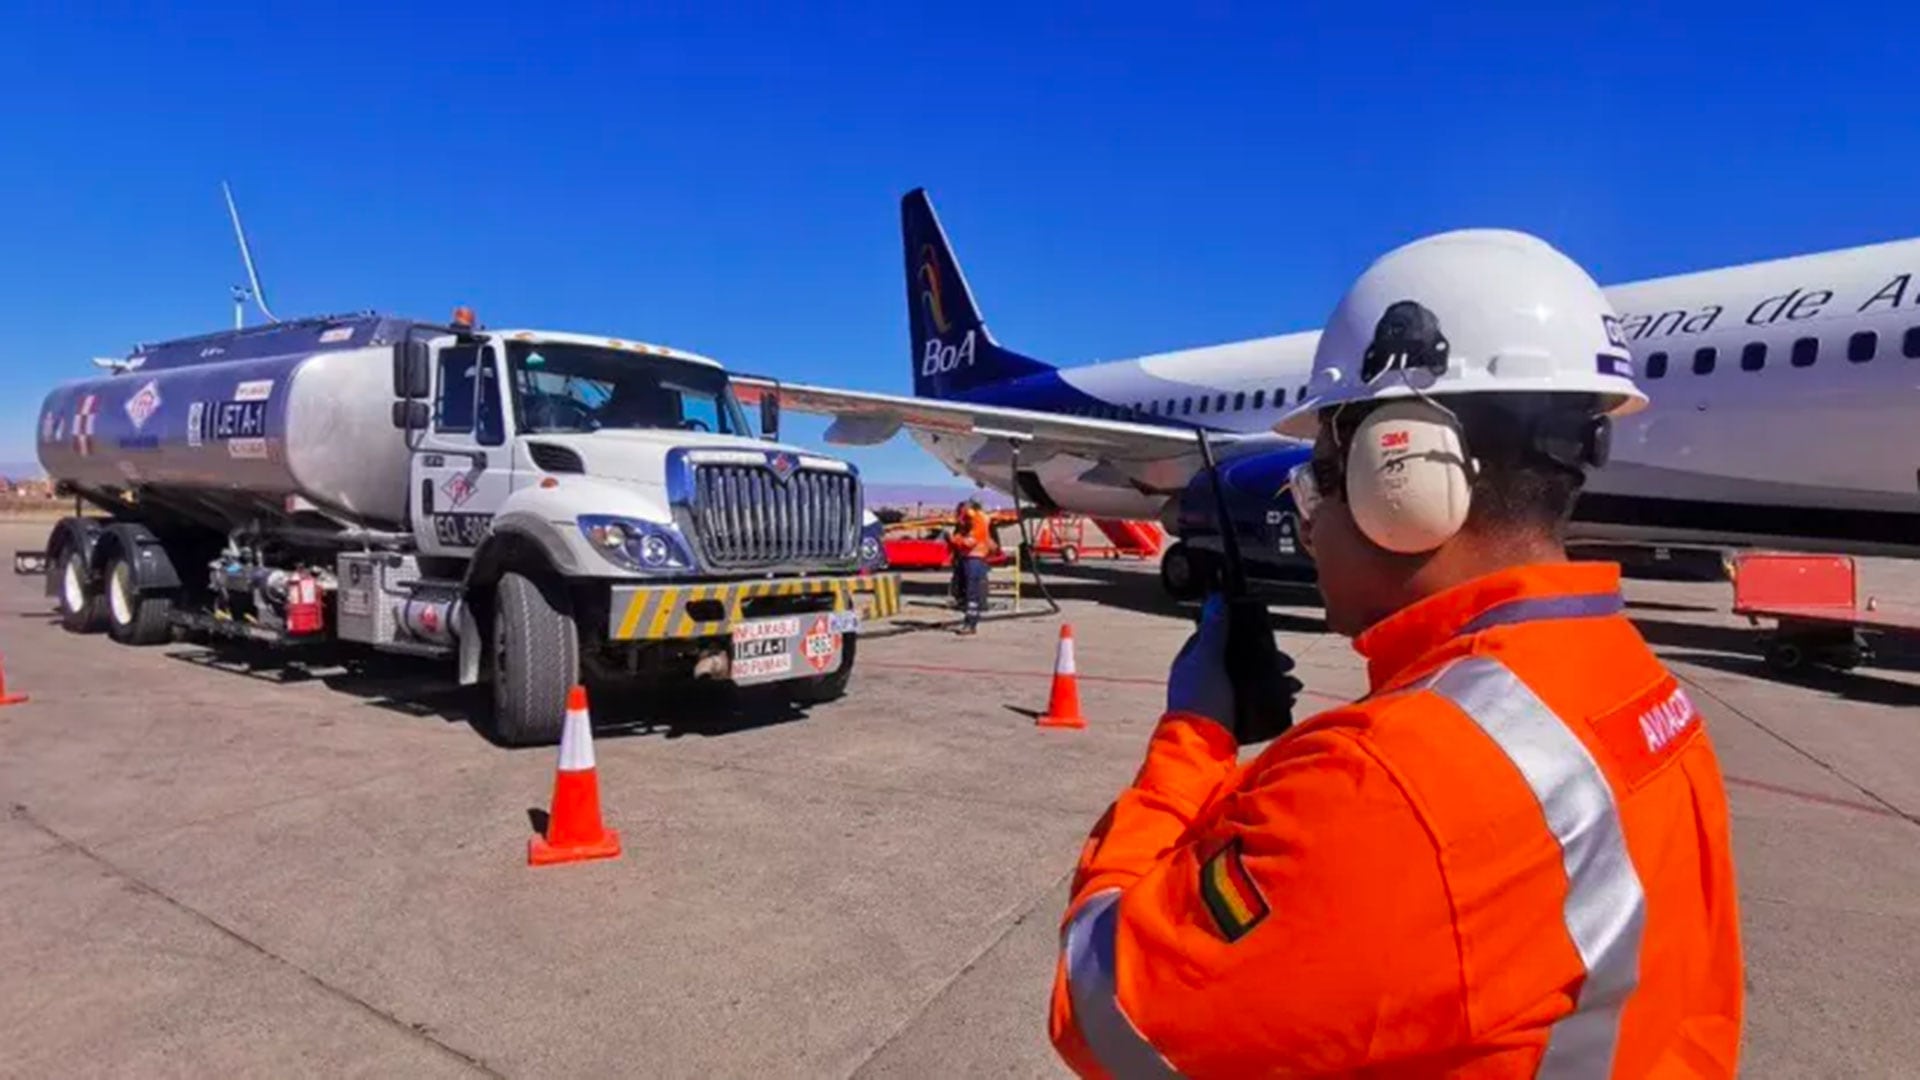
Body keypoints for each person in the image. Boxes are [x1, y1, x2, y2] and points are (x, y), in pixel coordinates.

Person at [1048, 230, 1743, 1077]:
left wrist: (1194, 739)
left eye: (1319, 481)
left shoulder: (1394, 781)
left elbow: (1105, 1013)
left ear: (1398, 474)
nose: (1311, 522)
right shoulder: (1636, 687)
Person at [953, 498, 992, 635]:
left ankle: (971, 622)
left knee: (972, 592)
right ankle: (969, 621)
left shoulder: (978, 521)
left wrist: (955, 540)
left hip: (974, 559)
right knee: (966, 591)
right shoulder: (974, 521)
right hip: (969, 558)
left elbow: (969, 542)